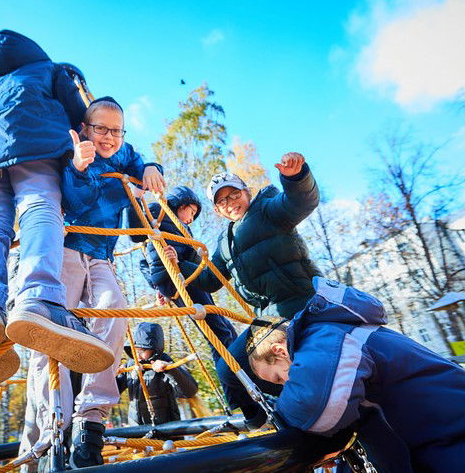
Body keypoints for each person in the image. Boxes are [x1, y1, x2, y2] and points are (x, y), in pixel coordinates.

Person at [0, 30, 116, 385]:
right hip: (35, 143)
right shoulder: (50, 69)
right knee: (39, 208)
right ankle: (40, 299)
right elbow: (80, 115)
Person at [247, 277, 465, 473]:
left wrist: (279, 425)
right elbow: (381, 435)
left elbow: (316, 406)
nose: (286, 385)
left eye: (277, 378)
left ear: (281, 351)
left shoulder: (325, 339)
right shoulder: (335, 341)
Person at [22, 96, 165, 469]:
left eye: (116, 130)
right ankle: (54, 424)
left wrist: (151, 166)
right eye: (100, 128)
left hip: (101, 255)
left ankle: (91, 419)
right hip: (68, 249)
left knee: (113, 312)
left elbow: (139, 162)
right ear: (85, 128)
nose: (109, 137)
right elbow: (77, 201)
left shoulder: (125, 153)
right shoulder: (76, 155)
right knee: (52, 332)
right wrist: (80, 167)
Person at [193, 153, 321, 429]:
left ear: (246, 192)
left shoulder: (267, 210)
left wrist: (296, 178)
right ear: (217, 210)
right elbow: (209, 280)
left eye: (234, 194)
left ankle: (303, 412)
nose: (230, 203)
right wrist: (178, 264)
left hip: (303, 303)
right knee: (229, 370)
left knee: (297, 364)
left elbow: (301, 201)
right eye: (222, 200)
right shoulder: (225, 243)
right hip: (266, 319)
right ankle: (259, 419)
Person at [127, 186, 237, 363]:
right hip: (179, 279)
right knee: (219, 332)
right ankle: (232, 375)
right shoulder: (158, 213)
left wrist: (160, 286)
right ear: (181, 204)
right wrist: (158, 284)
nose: (191, 219)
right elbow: (138, 241)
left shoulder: (183, 231)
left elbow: (189, 258)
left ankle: (237, 366)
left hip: (186, 277)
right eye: (191, 212)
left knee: (225, 328)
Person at [117, 322, 198, 426]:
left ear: (154, 348)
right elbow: (113, 392)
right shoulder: (130, 365)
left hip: (166, 428)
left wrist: (169, 369)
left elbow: (190, 391)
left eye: (142, 350)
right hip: (137, 428)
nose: (137, 355)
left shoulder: (165, 362)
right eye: (134, 350)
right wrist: (112, 374)